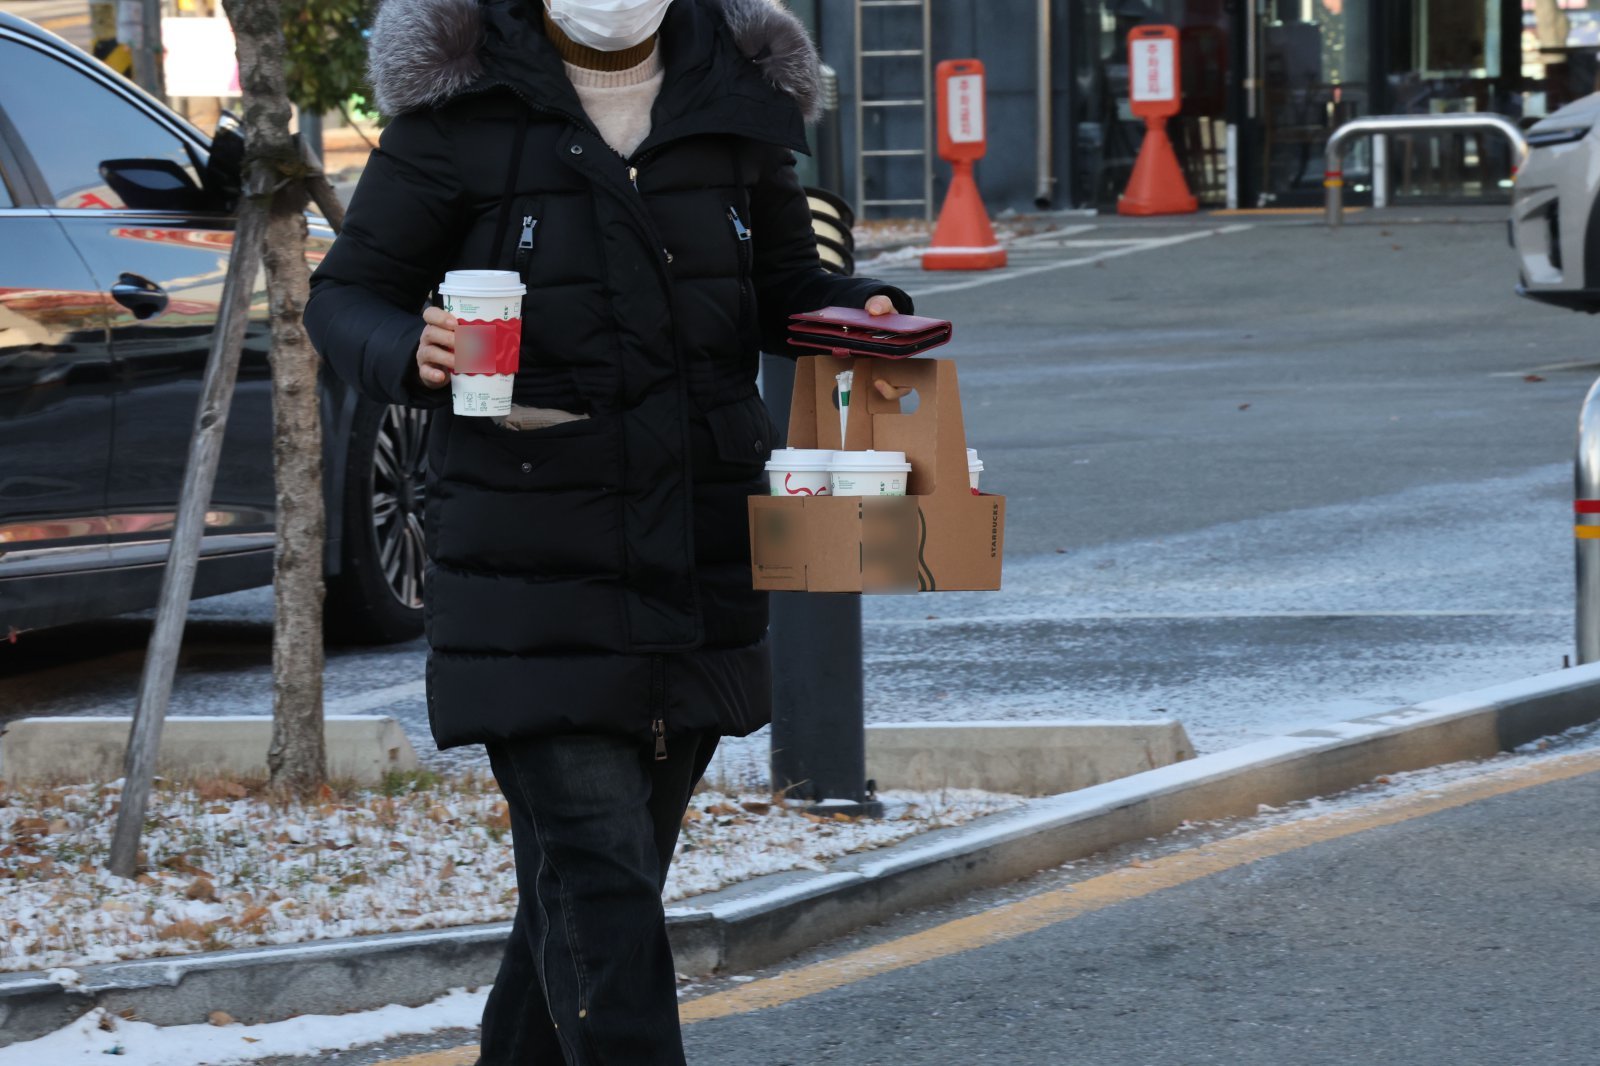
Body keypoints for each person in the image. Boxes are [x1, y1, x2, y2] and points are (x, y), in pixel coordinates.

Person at [304, 0, 912, 1061]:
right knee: (604, 885)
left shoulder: (736, 104)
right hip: (528, 564)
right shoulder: (459, 110)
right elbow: (347, 293)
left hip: (696, 557)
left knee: (584, 901)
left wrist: (868, 312)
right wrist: (413, 349)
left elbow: (783, 287)